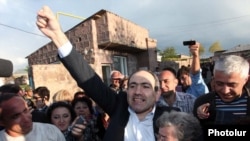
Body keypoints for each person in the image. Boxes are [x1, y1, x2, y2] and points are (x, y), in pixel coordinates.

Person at [36, 6, 178, 141]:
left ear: (157, 93)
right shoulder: (119, 106)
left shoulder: (172, 117)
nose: (137, 92)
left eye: (145, 86)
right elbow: (88, 80)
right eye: (133, 85)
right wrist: (57, 36)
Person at [193, 55, 250, 125]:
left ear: (246, 80)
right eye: (219, 84)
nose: (225, 91)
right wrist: (200, 118)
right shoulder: (202, 102)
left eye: (232, 85)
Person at [0, 93, 66, 141]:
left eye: (25, 111)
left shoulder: (51, 131)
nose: (26, 119)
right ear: (1, 122)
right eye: (16, 116)